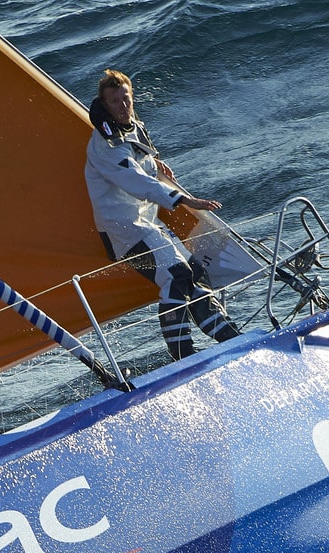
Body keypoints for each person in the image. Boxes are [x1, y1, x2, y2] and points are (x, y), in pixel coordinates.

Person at [83, 69, 240, 361]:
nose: (123, 105)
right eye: (115, 101)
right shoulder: (103, 146)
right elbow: (136, 180)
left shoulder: (133, 128)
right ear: (104, 106)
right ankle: (182, 356)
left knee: (195, 272)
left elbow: (142, 165)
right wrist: (185, 200)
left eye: (126, 98)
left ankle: (227, 336)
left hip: (146, 223)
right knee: (176, 276)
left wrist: (155, 163)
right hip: (123, 231)